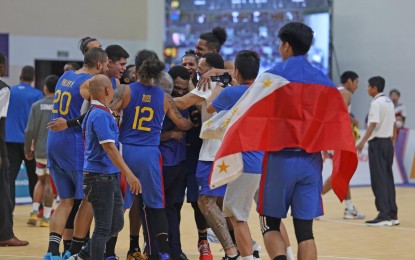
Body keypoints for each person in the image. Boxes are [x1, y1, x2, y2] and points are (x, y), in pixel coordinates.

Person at [201, 22, 357, 260]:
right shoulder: (324, 82)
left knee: (270, 224)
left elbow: (242, 114)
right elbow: (341, 126)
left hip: (279, 160)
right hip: (311, 162)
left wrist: (211, 130)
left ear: (285, 46)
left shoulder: (272, 78)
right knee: (305, 233)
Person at [110, 56, 193, 260]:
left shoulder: (126, 90)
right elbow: (182, 124)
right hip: (149, 153)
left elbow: (109, 110)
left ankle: (109, 253)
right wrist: (194, 123)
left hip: (126, 151)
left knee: (120, 205)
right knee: (155, 204)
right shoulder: (164, 97)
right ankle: (163, 253)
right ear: (158, 76)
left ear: (137, 71)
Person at [44, 48, 109, 260]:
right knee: (87, 200)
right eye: (106, 65)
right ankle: (75, 250)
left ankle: (52, 252)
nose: (107, 69)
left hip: (53, 141)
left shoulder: (66, 75)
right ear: (99, 64)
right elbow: (94, 113)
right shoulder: (90, 83)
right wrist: (69, 123)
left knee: (65, 201)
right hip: (72, 142)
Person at [68, 75, 141, 260]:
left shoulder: (100, 111)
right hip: (99, 177)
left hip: (108, 175)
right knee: (102, 228)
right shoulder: (99, 114)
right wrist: (130, 174)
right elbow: (109, 147)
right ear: (108, 91)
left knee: (116, 223)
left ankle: (81, 256)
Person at [175, 52, 240, 260]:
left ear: (211, 69)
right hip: (231, 150)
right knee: (225, 204)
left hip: (212, 152)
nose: (198, 71)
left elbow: (182, 103)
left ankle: (232, 251)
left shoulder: (209, 84)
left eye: (201, 67)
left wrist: (157, 96)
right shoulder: (231, 83)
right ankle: (242, 247)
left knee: (205, 202)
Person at [321, 71, 365, 220]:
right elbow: (340, 113)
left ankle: (349, 207)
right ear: (350, 81)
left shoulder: (333, 91)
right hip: (337, 137)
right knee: (339, 174)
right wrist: (354, 121)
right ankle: (311, 201)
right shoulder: (345, 92)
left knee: (343, 173)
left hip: (330, 135)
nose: (357, 86)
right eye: (356, 82)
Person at [357, 76, 398, 227]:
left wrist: (362, 142)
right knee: (388, 178)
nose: (367, 88)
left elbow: (373, 124)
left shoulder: (376, 103)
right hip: (387, 142)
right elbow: (394, 124)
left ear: (374, 88)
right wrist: (391, 141)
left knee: (378, 179)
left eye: (368, 86)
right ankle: (393, 213)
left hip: (378, 143)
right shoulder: (389, 102)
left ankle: (384, 215)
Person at [0, 52, 29, 247]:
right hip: (12, 143)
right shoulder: (3, 89)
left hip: (11, 142)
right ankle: (5, 234)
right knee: (3, 191)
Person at [6, 65, 43, 209]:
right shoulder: (37, 94)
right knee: (35, 178)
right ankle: (37, 210)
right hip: (31, 142)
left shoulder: (10, 91)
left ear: (20, 77)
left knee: (9, 178)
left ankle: (9, 211)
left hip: (9, 140)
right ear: (33, 79)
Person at [24, 75, 59, 227]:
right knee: (50, 183)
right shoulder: (60, 106)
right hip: (54, 151)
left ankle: (33, 212)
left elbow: (29, 130)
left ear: (45, 88)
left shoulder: (36, 105)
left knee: (40, 180)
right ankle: (45, 217)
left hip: (39, 150)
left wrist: (27, 149)